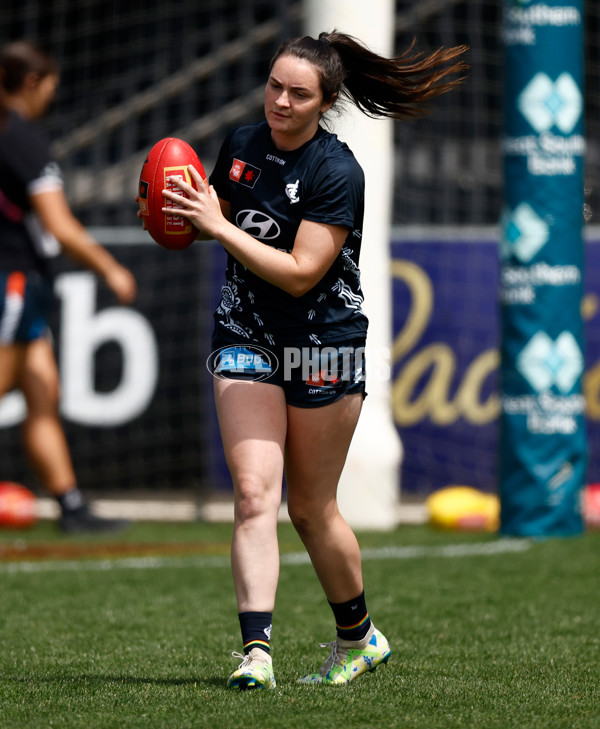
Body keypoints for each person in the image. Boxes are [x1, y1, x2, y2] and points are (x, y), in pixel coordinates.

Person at [159, 31, 467, 688]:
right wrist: (173, 214)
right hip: (244, 332)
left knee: (311, 508)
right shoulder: (240, 146)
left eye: (299, 94)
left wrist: (218, 229)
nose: (280, 101)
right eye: (274, 85)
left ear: (325, 103)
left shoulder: (336, 170)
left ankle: (358, 636)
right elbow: (203, 220)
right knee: (251, 493)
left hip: (321, 344)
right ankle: (256, 654)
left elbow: (302, 272)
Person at [0, 40, 137, 533]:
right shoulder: (22, 139)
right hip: (13, 279)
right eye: (51, 87)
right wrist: (109, 268)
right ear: (32, 83)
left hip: (25, 281)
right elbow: (60, 225)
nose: (50, 100)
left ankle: (71, 506)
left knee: (43, 394)